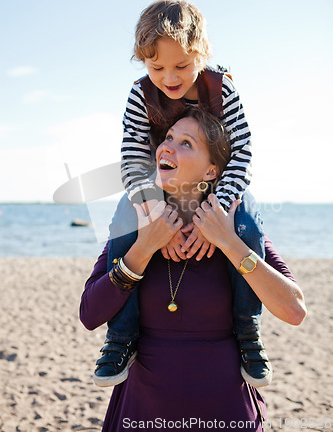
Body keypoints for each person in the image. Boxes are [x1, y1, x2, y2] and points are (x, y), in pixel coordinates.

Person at [80, 108, 306, 431]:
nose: (167, 147)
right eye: (168, 138)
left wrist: (228, 243)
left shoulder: (239, 229)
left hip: (227, 414)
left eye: (186, 143)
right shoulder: (135, 224)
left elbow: (295, 310)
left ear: (212, 171)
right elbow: (89, 314)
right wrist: (144, 247)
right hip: (143, 414)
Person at [94, 0, 269, 388]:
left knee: (248, 227)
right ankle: (120, 336)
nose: (169, 77)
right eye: (156, 67)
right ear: (143, 62)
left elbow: (243, 154)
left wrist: (214, 213)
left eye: (181, 66)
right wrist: (156, 215)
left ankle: (247, 330)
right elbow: (133, 158)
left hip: (217, 186)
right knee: (123, 222)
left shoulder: (222, 89)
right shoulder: (141, 96)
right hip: (161, 186)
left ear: (202, 54)